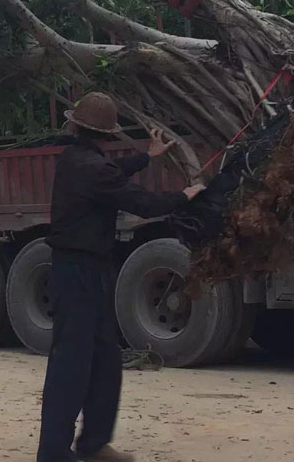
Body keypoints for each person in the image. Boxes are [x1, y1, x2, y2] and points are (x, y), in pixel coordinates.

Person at [37, 93, 205, 462]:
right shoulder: (91, 169)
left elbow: (114, 174)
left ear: (77, 126)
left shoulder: (76, 159)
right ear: (106, 134)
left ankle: (94, 444)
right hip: (75, 271)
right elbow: (141, 202)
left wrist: (148, 157)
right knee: (72, 364)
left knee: (106, 361)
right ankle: (52, 453)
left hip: (91, 269)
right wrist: (186, 195)